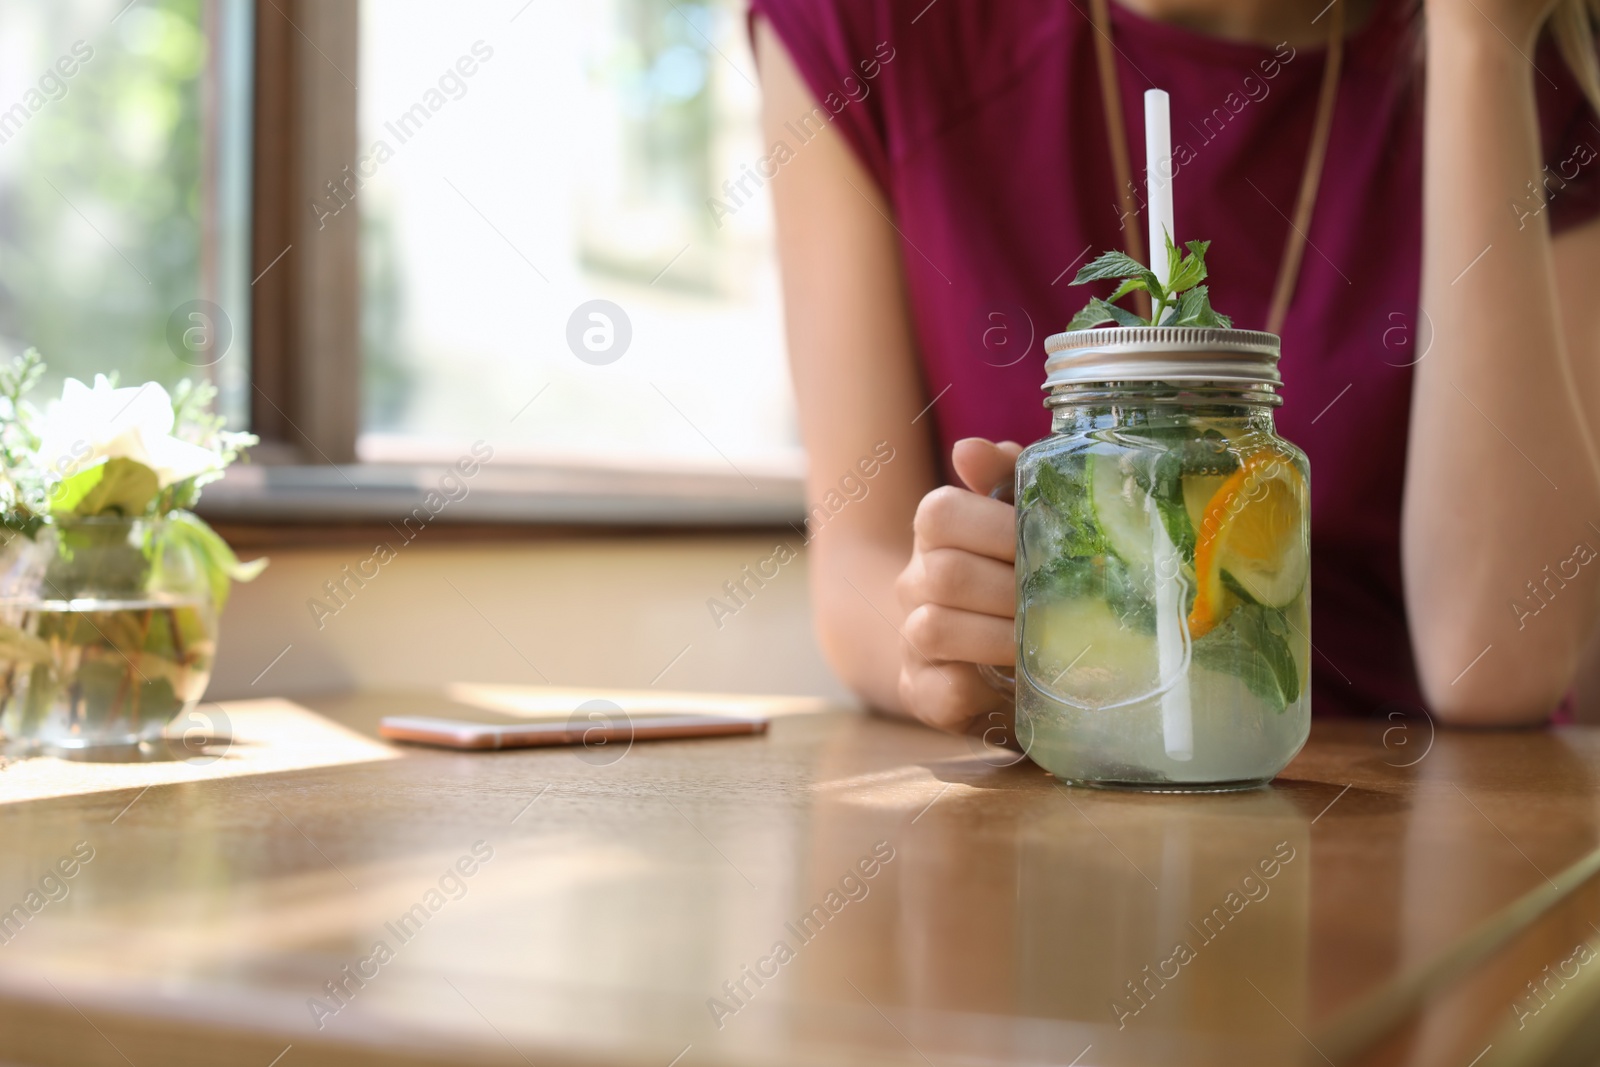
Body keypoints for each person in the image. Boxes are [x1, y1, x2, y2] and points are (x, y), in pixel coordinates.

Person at [748, 0, 1600, 734]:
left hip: (1418, 830)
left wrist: (1483, 39)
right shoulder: (873, 26)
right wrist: (961, 633)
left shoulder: (1540, 61)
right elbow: (861, 558)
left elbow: (1498, 662)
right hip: (1073, 790)